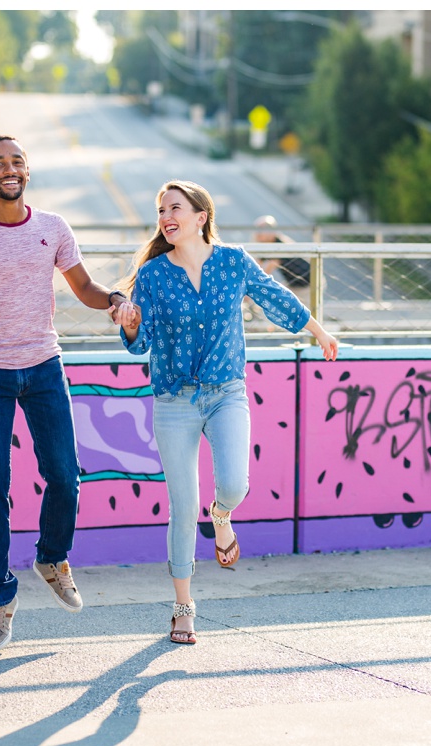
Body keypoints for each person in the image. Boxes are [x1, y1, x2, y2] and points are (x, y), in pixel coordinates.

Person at [111, 180, 338, 645]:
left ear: (201, 216)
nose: (165, 216)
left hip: (226, 393)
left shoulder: (233, 261)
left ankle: (222, 515)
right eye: (160, 210)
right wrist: (132, 325)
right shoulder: (153, 275)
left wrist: (317, 330)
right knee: (181, 505)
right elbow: (142, 342)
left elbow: (273, 295)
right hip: (174, 399)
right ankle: (183, 606)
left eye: (175, 207)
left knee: (235, 484)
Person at [0, 135, 131, 653]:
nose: (9, 169)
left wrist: (112, 299)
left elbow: (83, 287)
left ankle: (51, 556)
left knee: (66, 478)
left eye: (17, 161)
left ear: (27, 171)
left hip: (45, 367)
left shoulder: (53, 229)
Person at [253, 215, 312, 309]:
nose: (257, 234)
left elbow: (266, 272)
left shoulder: (279, 245)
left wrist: (253, 287)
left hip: (308, 283)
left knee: (298, 313)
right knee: (278, 302)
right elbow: (255, 266)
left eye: (261, 231)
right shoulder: (267, 245)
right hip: (293, 282)